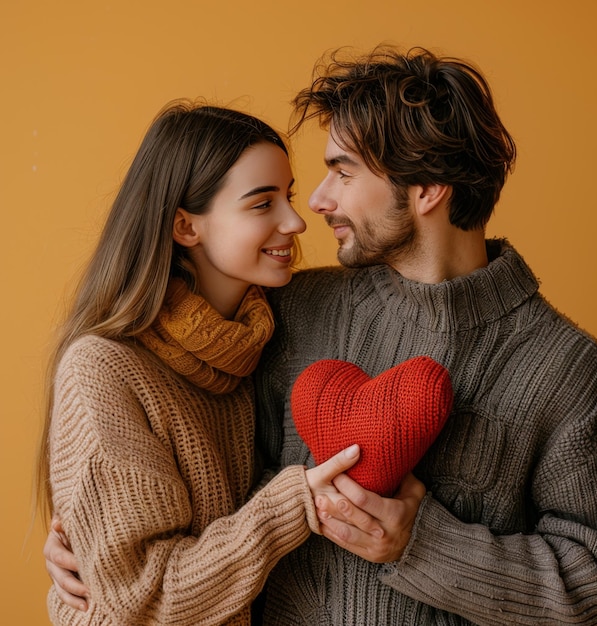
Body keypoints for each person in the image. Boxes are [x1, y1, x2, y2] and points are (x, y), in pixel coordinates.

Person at [46, 46, 597, 624]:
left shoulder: (567, 370)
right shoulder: (286, 312)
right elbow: (185, 456)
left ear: (426, 189)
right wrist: (89, 544)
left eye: (342, 172)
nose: (315, 206)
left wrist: (426, 546)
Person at [36, 100, 364, 625]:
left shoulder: (261, 337)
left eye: (289, 196)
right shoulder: (103, 368)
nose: (297, 221)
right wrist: (294, 500)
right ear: (185, 227)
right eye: (262, 204)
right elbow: (148, 597)